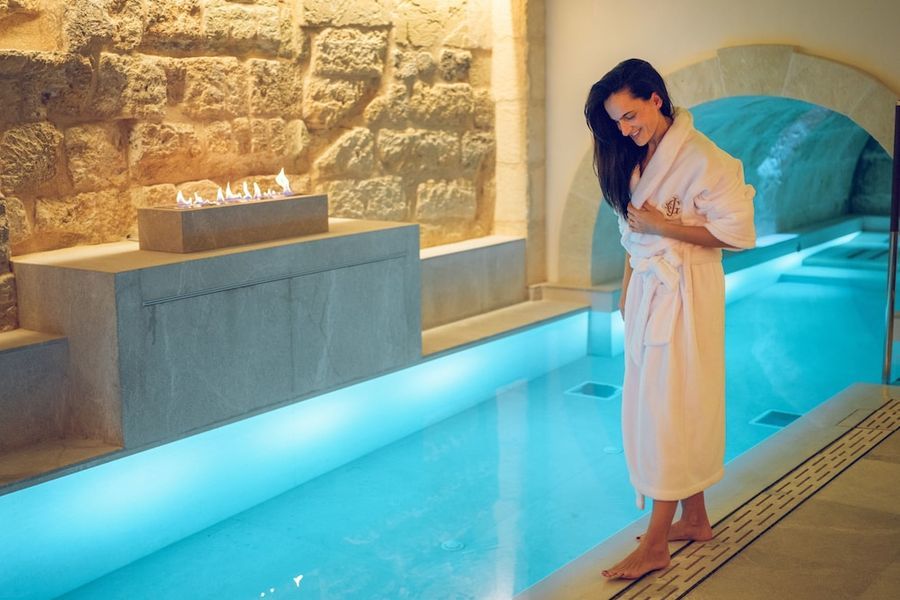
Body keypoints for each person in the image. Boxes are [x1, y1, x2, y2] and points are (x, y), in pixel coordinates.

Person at [583, 59, 756, 580]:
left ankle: (656, 544)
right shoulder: (636, 157)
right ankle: (695, 519)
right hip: (648, 289)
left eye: (630, 116)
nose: (624, 130)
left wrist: (666, 227)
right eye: (616, 121)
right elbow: (631, 233)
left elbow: (738, 234)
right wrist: (627, 288)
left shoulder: (705, 159)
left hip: (686, 291)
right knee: (662, 399)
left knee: (669, 406)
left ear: (656, 99)